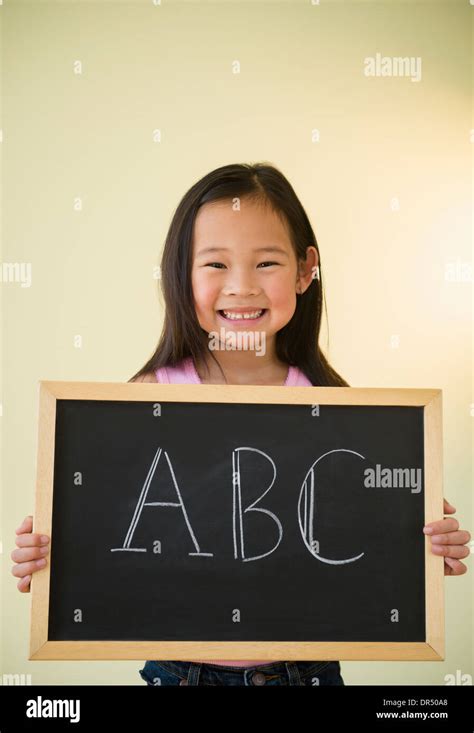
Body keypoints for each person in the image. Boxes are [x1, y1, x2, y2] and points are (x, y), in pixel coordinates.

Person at [11, 162, 471, 687]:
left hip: (306, 675)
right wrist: (46, 560)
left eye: (267, 263)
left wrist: (424, 547)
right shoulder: (142, 401)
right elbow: (101, 536)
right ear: (180, 274)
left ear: (305, 270)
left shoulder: (341, 413)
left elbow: (366, 544)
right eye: (215, 265)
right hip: (181, 676)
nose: (241, 287)